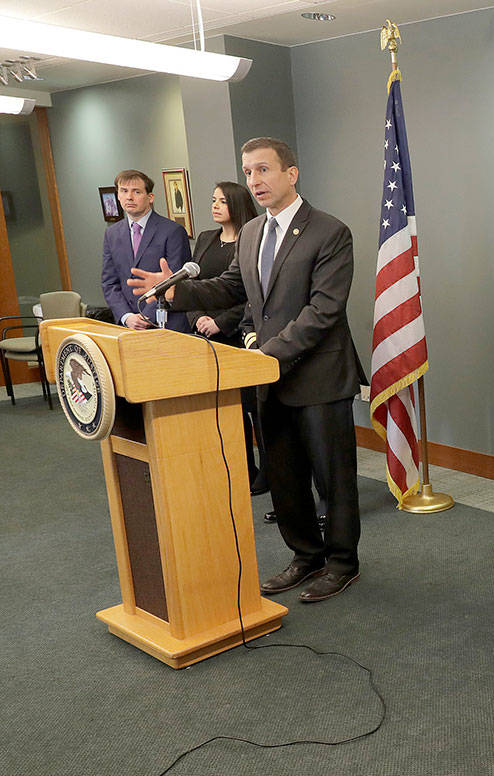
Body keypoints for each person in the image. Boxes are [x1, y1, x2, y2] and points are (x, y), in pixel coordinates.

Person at [130, 138, 364, 604]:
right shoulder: (253, 232)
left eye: (264, 170)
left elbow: (323, 309)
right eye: (248, 172)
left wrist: (267, 353)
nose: (254, 181)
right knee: (284, 474)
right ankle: (305, 555)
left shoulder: (330, 232)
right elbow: (232, 287)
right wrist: (175, 292)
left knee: (331, 478)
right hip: (266, 376)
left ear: (291, 173)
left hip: (316, 376)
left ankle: (341, 563)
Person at [186, 181, 269, 494]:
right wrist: (198, 318)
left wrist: (221, 321)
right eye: (213, 199)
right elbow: (197, 283)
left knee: (253, 408)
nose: (215, 205)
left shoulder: (251, 238)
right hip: (206, 336)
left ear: (236, 203)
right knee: (228, 409)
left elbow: (250, 294)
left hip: (239, 335)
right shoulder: (207, 239)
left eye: (222, 200)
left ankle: (269, 471)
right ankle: (242, 467)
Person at [101, 169, 192, 332]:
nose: (129, 197)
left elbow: (176, 280)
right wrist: (126, 316)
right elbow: (109, 283)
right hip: (127, 327)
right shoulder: (112, 233)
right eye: (124, 191)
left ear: (150, 197)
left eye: (136, 192)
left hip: (166, 325)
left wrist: (145, 316)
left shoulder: (173, 231)